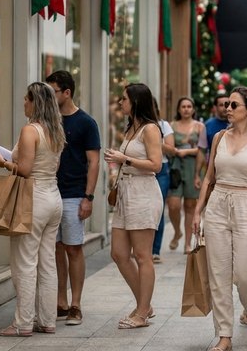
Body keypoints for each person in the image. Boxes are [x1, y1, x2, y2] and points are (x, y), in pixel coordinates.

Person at [192, 87, 247, 351]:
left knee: (246, 274)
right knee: (219, 274)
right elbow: (208, 177)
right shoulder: (218, 137)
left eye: (234, 105)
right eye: (227, 104)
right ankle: (224, 335)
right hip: (217, 205)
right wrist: (198, 211)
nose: (228, 109)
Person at [0, 82, 66, 336]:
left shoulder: (30, 130)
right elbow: (52, 168)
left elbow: (24, 170)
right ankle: (47, 320)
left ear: (35, 102)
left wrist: (3, 162)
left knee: (24, 262)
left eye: (26, 98)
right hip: (53, 197)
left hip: (33, 198)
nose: (23, 102)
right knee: (47, 263)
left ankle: (22, 323)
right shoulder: (56, 131)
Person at [104, 83, 164, 329]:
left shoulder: (150, 129)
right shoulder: (130, 127)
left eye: (124, 99)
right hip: (126, 192)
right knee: (118, 253)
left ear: (136, 102)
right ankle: (145, 304)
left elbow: (156, 165)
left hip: (143, 192)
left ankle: (141, 312)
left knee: (142, 255)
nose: (121, 103)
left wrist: (124, 158)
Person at [45, 71, 101, 326]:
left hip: (73, 194)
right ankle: (60, 301)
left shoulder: (86, 123)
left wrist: (88, 197)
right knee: (55, 249)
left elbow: (94, 161)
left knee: (74, 248)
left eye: (52, 91)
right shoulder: (48, 121)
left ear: (66, 92)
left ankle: (76, 304)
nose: (49, 96)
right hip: (48, 192)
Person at [170, 97, 208, 254]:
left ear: (193, 109)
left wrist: (186, 151)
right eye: (183, 106)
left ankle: (187, 243)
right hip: (176, 168)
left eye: (189, 106)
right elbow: (168, 146)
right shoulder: (171, 125)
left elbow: (202, 149)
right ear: (178, 109)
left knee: (190, 207)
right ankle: (177, 231)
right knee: (173, 205)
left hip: (194, 168)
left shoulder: (200, 126)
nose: (186, 109)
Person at [151, 98, 175, 263]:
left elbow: (171, 149)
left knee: (158, 209)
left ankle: (155, 250)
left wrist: (154, 141)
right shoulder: (133, 125)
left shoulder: (164, 125)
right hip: (140, 171)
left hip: (161, 171)